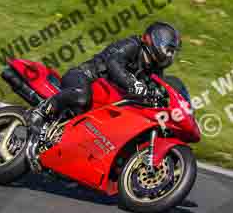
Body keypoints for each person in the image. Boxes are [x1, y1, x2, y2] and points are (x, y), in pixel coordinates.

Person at [26, 21, 182, 141]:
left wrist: (163, 102)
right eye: (168, 50)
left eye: (172, 52)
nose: (169, 55)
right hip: (85, 76)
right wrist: (132, 83)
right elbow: (113, 62)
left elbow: (156, 89)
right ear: (156, 40)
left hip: (108, 98)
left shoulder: (155, 70)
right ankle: (39, 113)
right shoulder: (132, 45)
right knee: (81, 96)